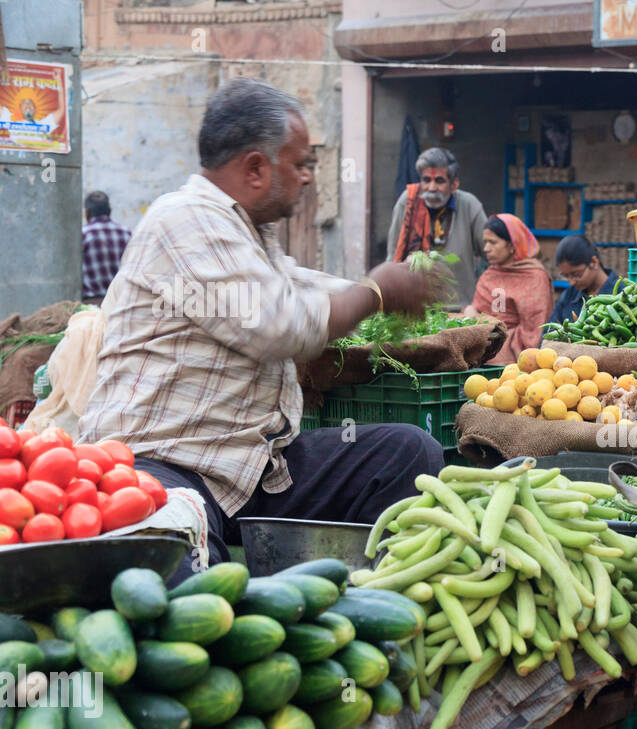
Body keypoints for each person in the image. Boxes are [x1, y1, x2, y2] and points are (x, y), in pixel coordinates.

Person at [78, 79, 451, 578]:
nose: (306, 179)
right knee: (182, 576)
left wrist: (394, 292)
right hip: (165, 466)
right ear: (255, 167)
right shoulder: (186, 221)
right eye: (300, 166)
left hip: (253, 468)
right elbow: (278, 324)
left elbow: (300, 285)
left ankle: (372, 602)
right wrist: (376, 292)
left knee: (407, 453)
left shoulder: (246, 231)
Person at [386, 147, 487, 311]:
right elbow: (393, 256)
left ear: (454, 185)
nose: (431, 188)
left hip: (460, 310)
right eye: (426, 180)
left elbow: (491, 254)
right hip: (416, 311)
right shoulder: (407, 202)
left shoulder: (469, 205)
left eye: (439, 181)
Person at [463, 214, 553, 365]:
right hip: (480, 351)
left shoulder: (534, 277)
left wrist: (494, 341)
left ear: (512, 245)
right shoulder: (489, 274)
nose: (486, 249)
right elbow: (477, 311)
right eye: (485, 242)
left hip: (511, 360)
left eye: (492, 242)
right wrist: (470, 313)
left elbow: (533, 329)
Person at [548, 236, 622, 328]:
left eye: (577, 274)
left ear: (594, 262)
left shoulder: (622, 293)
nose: (571, 282)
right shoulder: (568, 296)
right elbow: (549, 332)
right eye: (566, 276)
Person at [81, 191, 132, 303]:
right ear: (110, 211)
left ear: (87, 213)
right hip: (121, 303)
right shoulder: (127, 233)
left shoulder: (82, 235)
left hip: (91, 304)